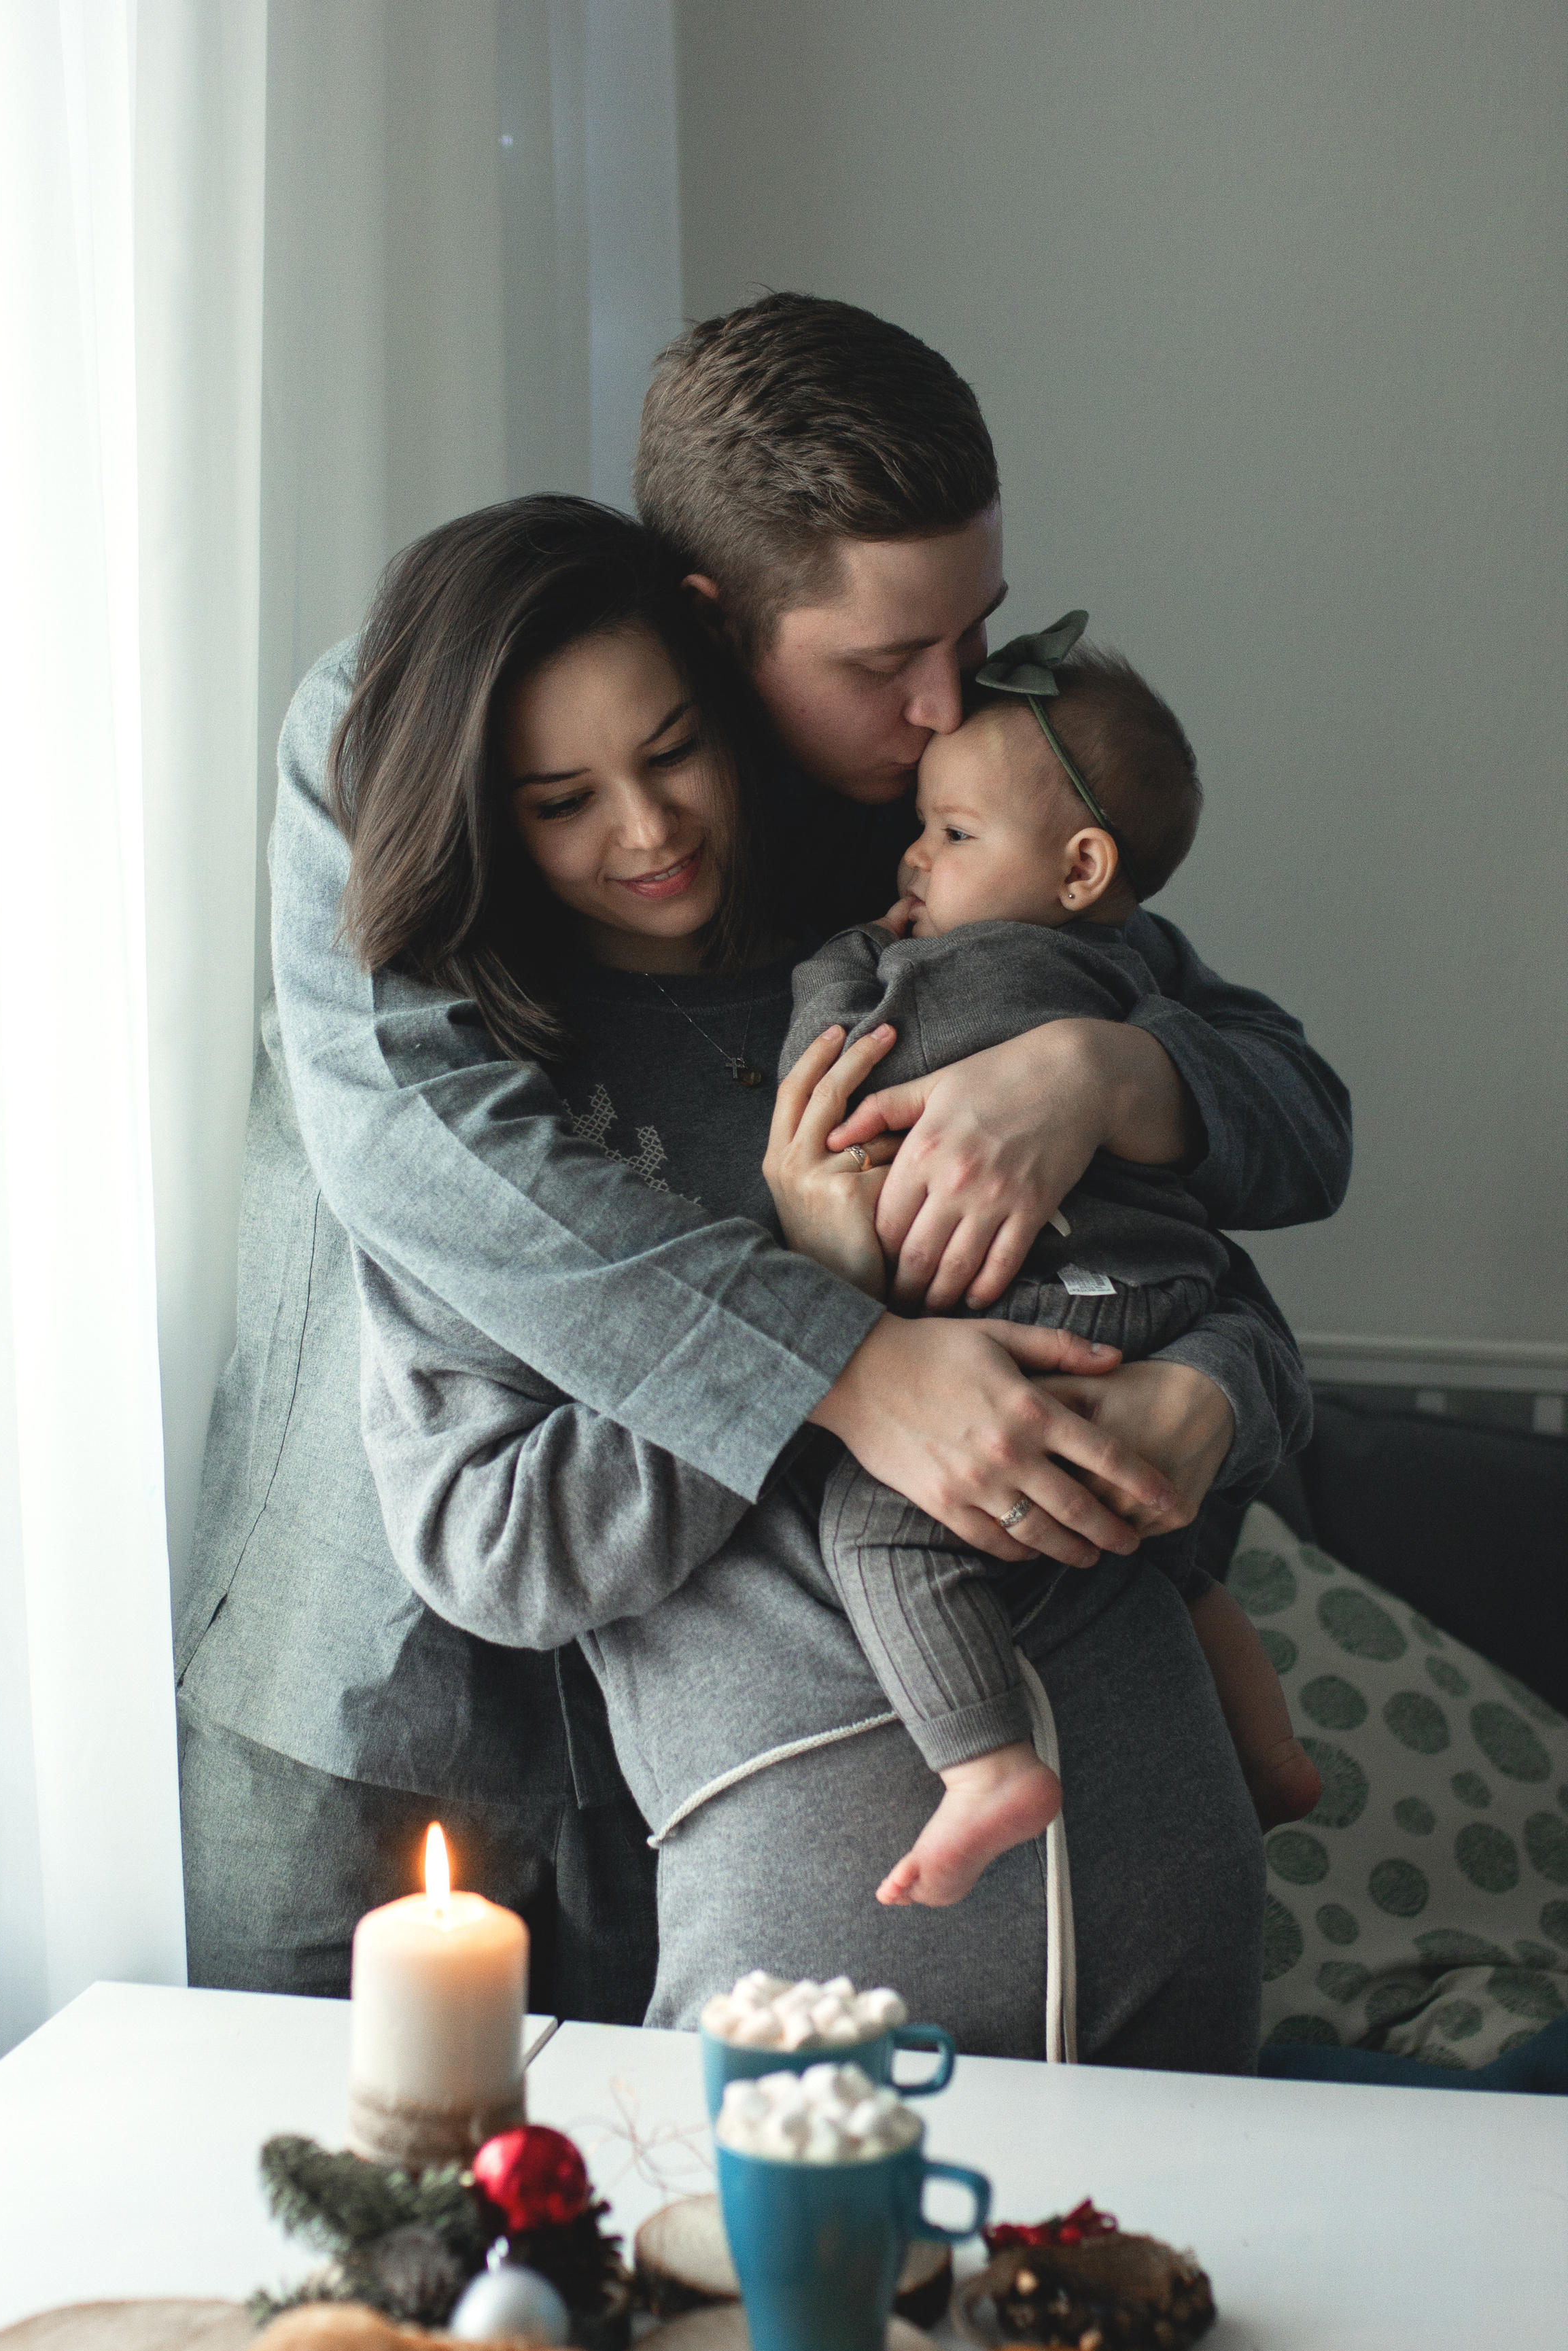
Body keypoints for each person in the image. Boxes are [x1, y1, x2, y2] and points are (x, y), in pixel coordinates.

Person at [175, 292, 1350, 2017]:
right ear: (715, 624)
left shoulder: (923, 829)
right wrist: (848, 1354)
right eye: (883, 661)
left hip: (719, 1728)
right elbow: (428, 1143)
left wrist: (1100, 1072)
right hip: (379, 1653)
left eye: (978, 631)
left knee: (666, 2176)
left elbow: (1284, 1116)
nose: (947, 702)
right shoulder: (406, 715)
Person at [769, 614, 1318, 1911]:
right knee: (1163, 1554)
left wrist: (847, 968)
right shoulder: (1136, 968)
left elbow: (830, 1064)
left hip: (1032, 1306)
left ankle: (985, 1767)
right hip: (1167, 1298)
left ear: (1082, 867)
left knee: (882, 1529)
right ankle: (1273, 1754)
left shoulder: (911, 968)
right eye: (923, 824)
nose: (916, 854)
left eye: (953, 834)